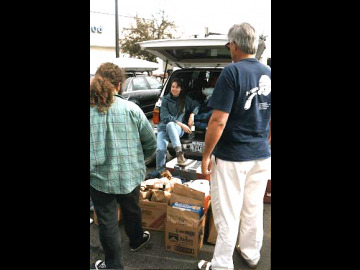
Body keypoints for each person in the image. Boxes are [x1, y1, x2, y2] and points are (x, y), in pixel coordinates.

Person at [199, 22, 271, 270]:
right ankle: (251, 254)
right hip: (261, 156)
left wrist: (206, 155)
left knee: (228, 212)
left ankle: (221, 265)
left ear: (236, 45)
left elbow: (218, 121)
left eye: (229, 44)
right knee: (252, 207)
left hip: (232, 157)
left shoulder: (232, 72)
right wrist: (265, 142)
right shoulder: (269, 73)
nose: (229, 48)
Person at [90, 62, 157, 270]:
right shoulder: (132, 109)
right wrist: (138, 162)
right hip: (130, 176)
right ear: (119, 85)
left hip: (99, 179)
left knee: (108, 223)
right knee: (132, 209)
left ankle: (113, 266)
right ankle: (136, 240)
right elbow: (151, 143)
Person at [153, 78, 200, 175]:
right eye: (172, 87)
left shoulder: (185, 99)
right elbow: (164, 117)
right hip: (164, 128)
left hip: (177, 129)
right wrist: (182, 124)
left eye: (177, 87)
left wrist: (192, 114)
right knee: (161, 149)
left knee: (171, 125)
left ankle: (179, 153)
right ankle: (160, 172)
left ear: (181, 89)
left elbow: (197, 105)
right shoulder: (165, 99)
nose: (174, 89)